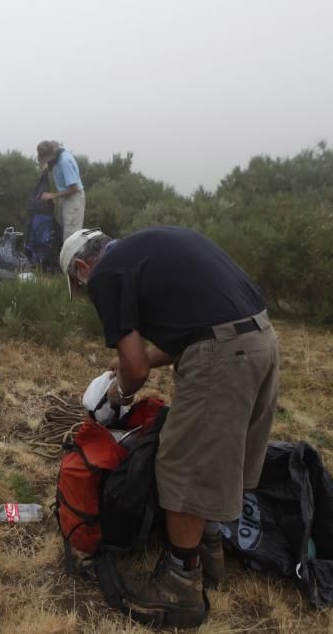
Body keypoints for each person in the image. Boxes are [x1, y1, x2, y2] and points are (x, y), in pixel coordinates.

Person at [60, 226, 280, 629]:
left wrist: (118, 395)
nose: (89, 294)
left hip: (224, 355)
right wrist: (128, 361)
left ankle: (180, 583)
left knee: (182, 464)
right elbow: (187, 332)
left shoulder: (106, 273)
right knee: (216, 456)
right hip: (261, 342)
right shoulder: (145, 250)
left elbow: (138, 371)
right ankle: (210, 551)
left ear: (81, 267)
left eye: (81, 287)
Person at [36, 140, 85, 242]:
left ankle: (71, 258)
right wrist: (47, 166)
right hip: (65, 199)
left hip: (73, 199)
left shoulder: (65, 161)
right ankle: (64, 257)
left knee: (71, 239)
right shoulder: (56, 157)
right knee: (63, 233)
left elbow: (74, 188)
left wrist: (53, 195)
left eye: (47, 159)